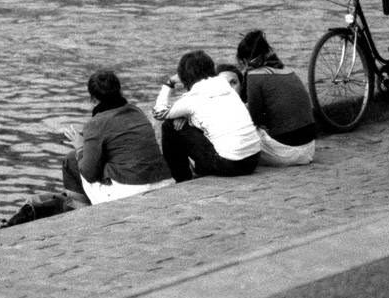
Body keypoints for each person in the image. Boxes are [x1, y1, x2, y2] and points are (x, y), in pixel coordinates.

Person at [62, 70, 175, 206]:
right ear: (119, 92)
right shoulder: (137, 112)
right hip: (165, 182)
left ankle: (82, 215)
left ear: (93, 99)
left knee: (70, 160)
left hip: (133, 191)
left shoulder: (96, 123)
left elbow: (89, 174)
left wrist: (81, 147)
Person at [153, 50, 261, 181]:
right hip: (253, 160)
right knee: (195, 123)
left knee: (169, 126)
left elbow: (158, 113)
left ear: (184, 76)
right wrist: (185, 115)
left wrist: (169, 83)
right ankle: (199, 170)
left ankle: (182, 179)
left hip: (231, 165)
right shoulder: (225, 87)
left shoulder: (192, 97)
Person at [236, 30, 317, 167]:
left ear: (245, 60)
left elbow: (255, 119)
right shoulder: (287, 69)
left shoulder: (254, 75)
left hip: (287, 153)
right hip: (309, 148)